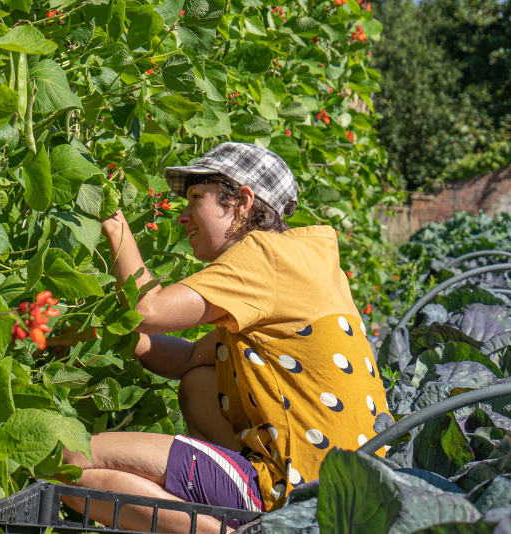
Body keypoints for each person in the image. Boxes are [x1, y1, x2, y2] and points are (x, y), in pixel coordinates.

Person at [56, 142, 391, 534]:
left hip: (299, 488)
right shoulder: (298, 264)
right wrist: (82, 337)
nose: (182, 216)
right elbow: (184, 360)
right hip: (345, 488)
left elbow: (149, 311)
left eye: (197, 197)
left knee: (70, 459)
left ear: (243, 202)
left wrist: (114, 225)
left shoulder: (264, 255)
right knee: (200, 381)